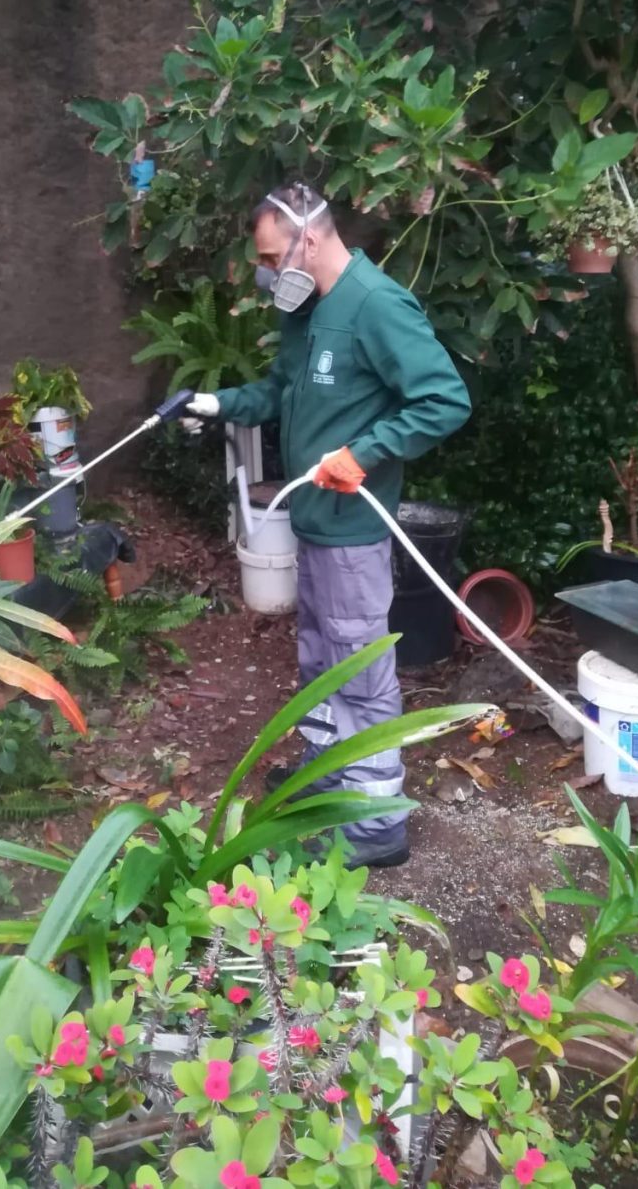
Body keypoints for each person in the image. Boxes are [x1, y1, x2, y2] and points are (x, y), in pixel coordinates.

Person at [185, 182, 472, 868]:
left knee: (358, 666)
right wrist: (212, 401)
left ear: (307, 238)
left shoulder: (375, 305)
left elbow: (445, 399)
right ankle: (329, 773)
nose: (264, 271)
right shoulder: (305, 310)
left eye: (268, 256)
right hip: (313, 522)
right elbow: (279, 394)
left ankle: (375, 823)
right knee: (320, 656)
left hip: (351, 530)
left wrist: (363, 452)